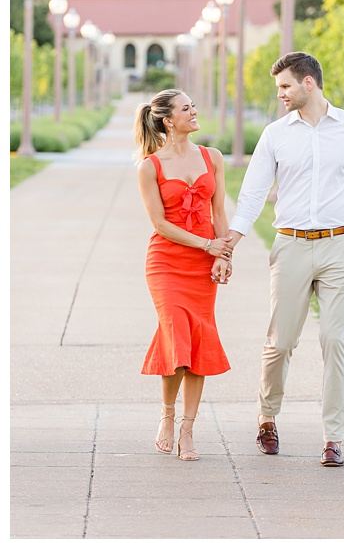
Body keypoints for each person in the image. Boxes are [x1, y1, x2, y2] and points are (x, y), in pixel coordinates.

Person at [226, 51, 344, 467]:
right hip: (291, 245)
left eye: (284, 86)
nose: (280, 94)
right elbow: (253, 194)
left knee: (336, 340)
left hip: (340, 246)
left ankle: (334, 436)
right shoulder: (275, 135)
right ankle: (267, 416)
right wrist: (233, 240)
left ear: (308, 83)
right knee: (280, 342)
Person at [135, 89, 235, 462]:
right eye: (186, 108)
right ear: (167, 120)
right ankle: (167, 415)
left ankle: (188, 430)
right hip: (166, 262)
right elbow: (160, 224)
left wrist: (224, 252)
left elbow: (220, 211)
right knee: (176, 331)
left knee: (198, 339)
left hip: (204, 264)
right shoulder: (150, 166)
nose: (195, 112)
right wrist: (207, 245)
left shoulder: (213, 156)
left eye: (194, 105)